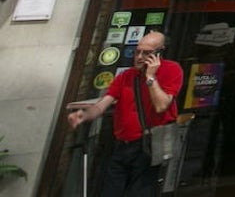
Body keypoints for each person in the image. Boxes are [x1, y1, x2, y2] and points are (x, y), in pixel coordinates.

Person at [66, 30, 183, 196]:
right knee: (110, 189)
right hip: (123, 144)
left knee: (140, 191)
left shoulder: (172, 70)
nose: (139, 57)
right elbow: (104, 103)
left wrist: (151, 77)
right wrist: (85, 115)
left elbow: (161, 105)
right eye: (137, 52)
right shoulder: (127, 76)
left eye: (147, 53)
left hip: (149, 143)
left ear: (159, 53)